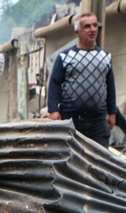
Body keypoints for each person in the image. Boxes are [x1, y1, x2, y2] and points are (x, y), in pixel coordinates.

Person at [47, 13, 117, 147]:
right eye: (87, 26)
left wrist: (112, 112)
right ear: (77, 32)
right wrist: (53, 110)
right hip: (72, 120)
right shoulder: (65, 57)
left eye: (95, 25)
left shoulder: (105, 57)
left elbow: (110, 86)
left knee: (100, 157)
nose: (92, 29)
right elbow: (55, 84)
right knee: (71, 156)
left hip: (98, 121)